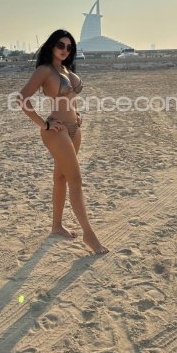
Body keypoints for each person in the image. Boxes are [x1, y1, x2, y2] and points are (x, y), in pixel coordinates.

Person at [17, 29, 109, 255]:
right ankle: (89, 234)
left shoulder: (67, 70)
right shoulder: (44, 70)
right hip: (56, 131)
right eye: (60, 45)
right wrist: (43, 124)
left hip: (74, 129)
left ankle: (56, 226)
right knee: (75, 179)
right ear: (51, 46)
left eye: (69, 47)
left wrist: (77, 114)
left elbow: (70, 99)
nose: (65, 50)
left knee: (61, 178)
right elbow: (22, 98)